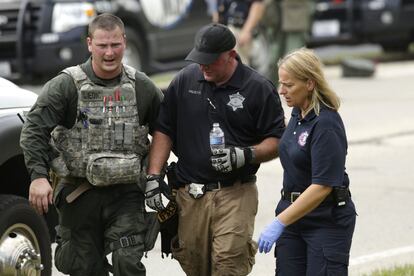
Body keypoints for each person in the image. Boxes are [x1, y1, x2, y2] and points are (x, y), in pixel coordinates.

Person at [20, 13, 163, 276]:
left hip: (126, 194)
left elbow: (166, 131)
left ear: (125, 42)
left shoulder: (141, 87)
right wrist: (38, 177)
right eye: (102, 45)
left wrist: (169, 175)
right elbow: (33, 130)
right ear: (89, 44)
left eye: (115, 45)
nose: (109, 53)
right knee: (84, 267)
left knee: (127, 262)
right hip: (78, 194)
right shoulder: (65, 86)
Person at [144, 23, 285, 276]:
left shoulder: (257, 88)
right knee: (194, 265)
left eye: (210, 60)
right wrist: (154, 177)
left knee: (228, 264)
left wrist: (246, 154)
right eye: (199, 60)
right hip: (190, 195)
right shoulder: (185, 80)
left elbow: (277, 140)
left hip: (235, 194)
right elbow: (163, 129)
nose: (203, 66)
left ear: (231, 55)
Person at [258, 48, 357, 275]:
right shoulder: (297, 113)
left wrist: (279, 222)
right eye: (281, 83)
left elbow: (323, 186)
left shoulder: (326, 124)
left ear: (310, 84)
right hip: (293, 217)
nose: (282, 91)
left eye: (289, 85)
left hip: (325, 219)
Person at [258, 0, 313, 84]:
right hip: (276, 17)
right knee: (274, 60)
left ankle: (298, 91)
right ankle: (269, 89)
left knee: (294, 59)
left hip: (296, 16)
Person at [214, 0, 265, 66]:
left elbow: (258, 5)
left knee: (241, 66)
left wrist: (247, 31)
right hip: (227, 28)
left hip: (243, 30)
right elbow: (219, 12)